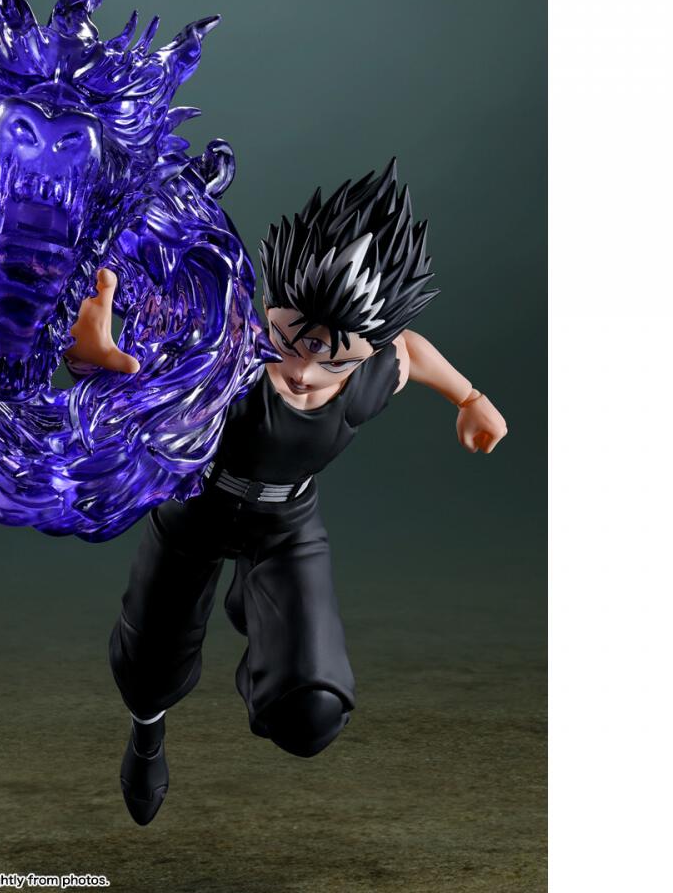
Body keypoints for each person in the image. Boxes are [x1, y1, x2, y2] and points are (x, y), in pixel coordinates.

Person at [65, 160, 507, 825]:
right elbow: (140, 347)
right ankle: (146, 734)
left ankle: (259, 606)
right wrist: (94, 362)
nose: (302, 373)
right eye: (287, 342)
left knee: (311, 709)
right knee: (150, 663)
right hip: (193, 507)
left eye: (334, 360)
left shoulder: (374, 370)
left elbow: (411, 351)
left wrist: (469, 397)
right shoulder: (224, 350)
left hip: (285, 523)